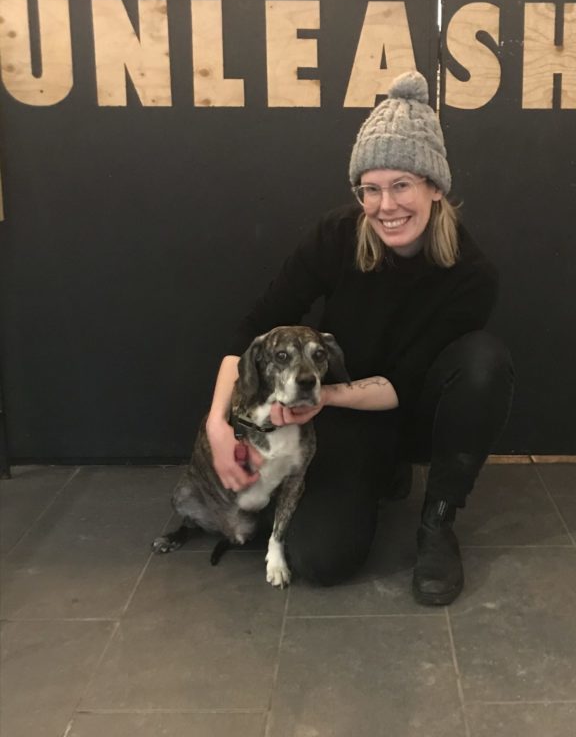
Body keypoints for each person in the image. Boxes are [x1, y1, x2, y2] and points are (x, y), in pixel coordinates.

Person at [205, 71, 514, 605]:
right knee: (320, 560)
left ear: (435, 187)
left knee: (484, 361)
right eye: (371, 188)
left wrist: (321, 395)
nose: (385, 205)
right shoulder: (337, 235)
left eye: (401, 185)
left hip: (415, 410)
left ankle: (438, 521)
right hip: (345, 414)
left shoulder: (471, 274)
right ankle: (378, 475)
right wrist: (218, 424)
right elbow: (255, 326)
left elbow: (403, 383)